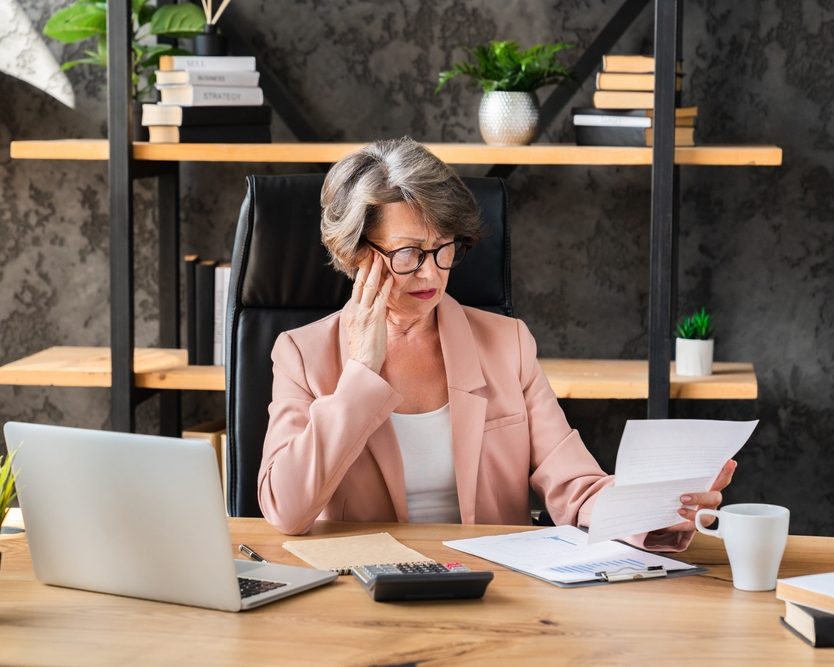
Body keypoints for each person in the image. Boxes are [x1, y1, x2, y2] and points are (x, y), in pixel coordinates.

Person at [258, 137, 735, 547]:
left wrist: (659, 509)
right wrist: (360, 374)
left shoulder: (509, 344)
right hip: (363, 601)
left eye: (444, 248)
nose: (432, 272)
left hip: (494, 593)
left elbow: (577, 487)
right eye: (408, 253)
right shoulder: (303, 354)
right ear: (359, 254)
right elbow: (286, 510)